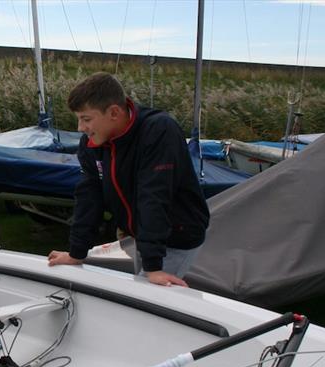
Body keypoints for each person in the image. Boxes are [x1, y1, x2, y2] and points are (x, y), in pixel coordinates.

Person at [48, 73, 209, 287]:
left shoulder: (159, 131)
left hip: (178, 235)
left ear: (114, 112)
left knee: (149, 297)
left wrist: (153, 267)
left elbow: (154, 195)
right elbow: (89, 197)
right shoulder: (92, 144)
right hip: (142, 235)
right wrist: (77, 253)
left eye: (86, 119)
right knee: (141, 286)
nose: (80, 128)